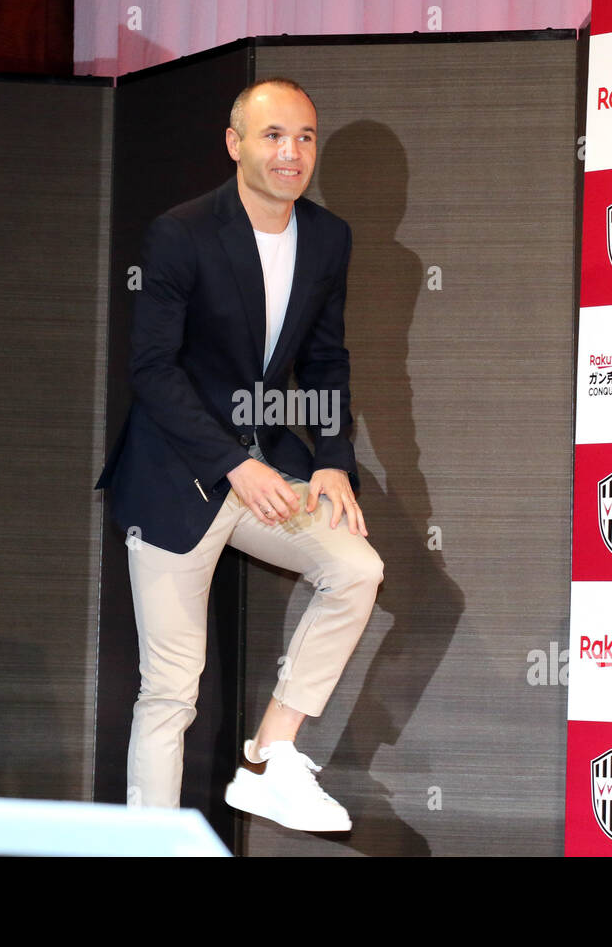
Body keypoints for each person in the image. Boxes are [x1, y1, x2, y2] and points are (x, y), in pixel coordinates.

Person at [94, 78, 383, 832]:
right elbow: (152, 368)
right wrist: (232, 462)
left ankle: (270, 755)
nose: (292, 153)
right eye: (274, 136)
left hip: (264, 474)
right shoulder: (180, 233)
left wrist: (329, 457)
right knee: (171, 691)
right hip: (174, 479)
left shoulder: (328, 238)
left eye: (306, 137)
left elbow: (325, 359)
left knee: (356, 567)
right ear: (236, 144)